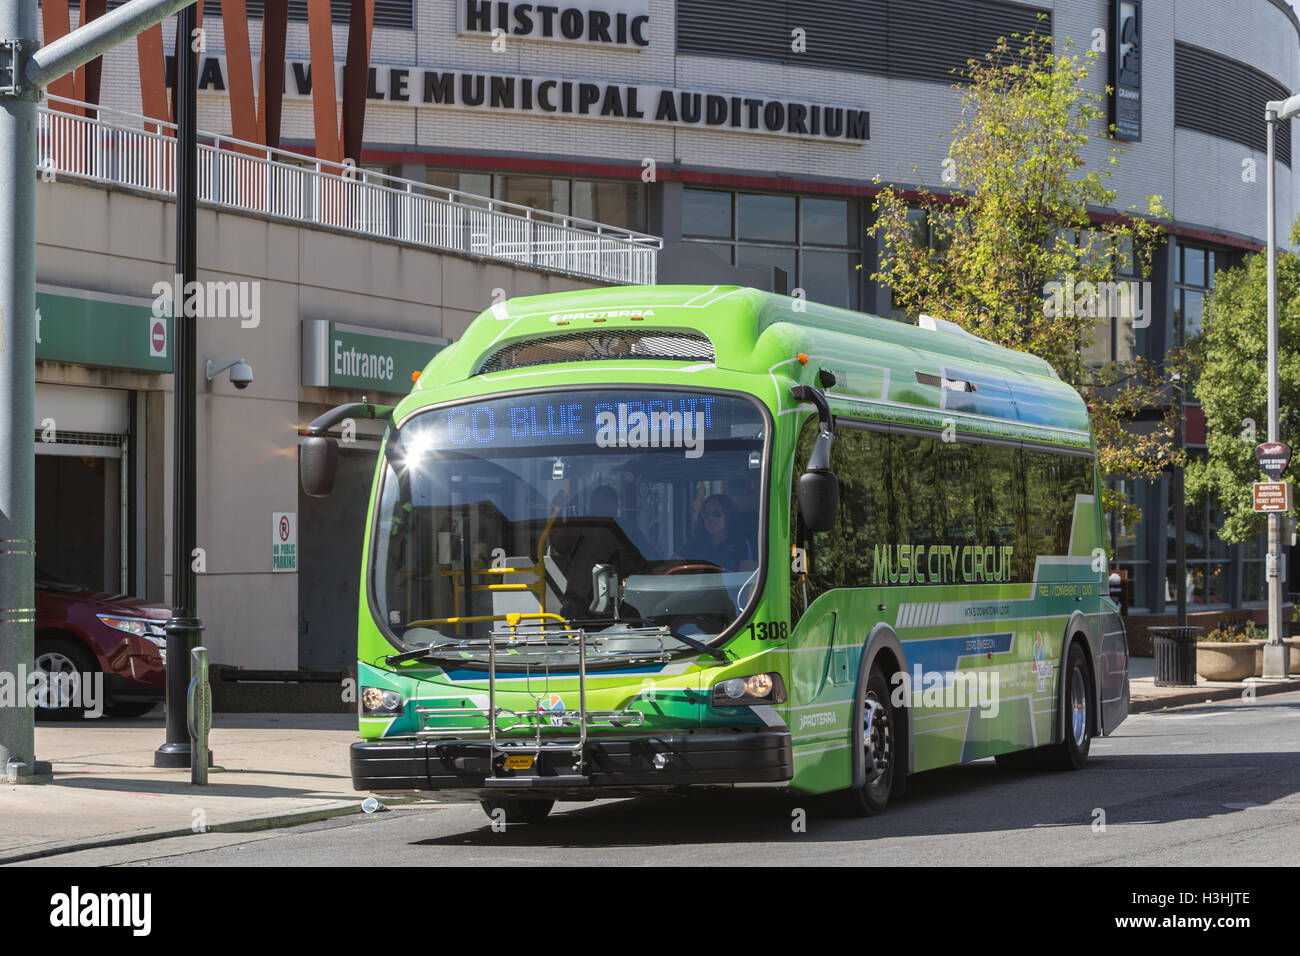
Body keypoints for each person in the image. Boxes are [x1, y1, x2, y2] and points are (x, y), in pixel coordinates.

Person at [685, 493, 756, 571]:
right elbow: (674, 571)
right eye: (706, 514)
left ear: (729, 516)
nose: (710, 518)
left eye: (716, 513)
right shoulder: (693, 545)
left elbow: (748, 579)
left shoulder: (742, 545)